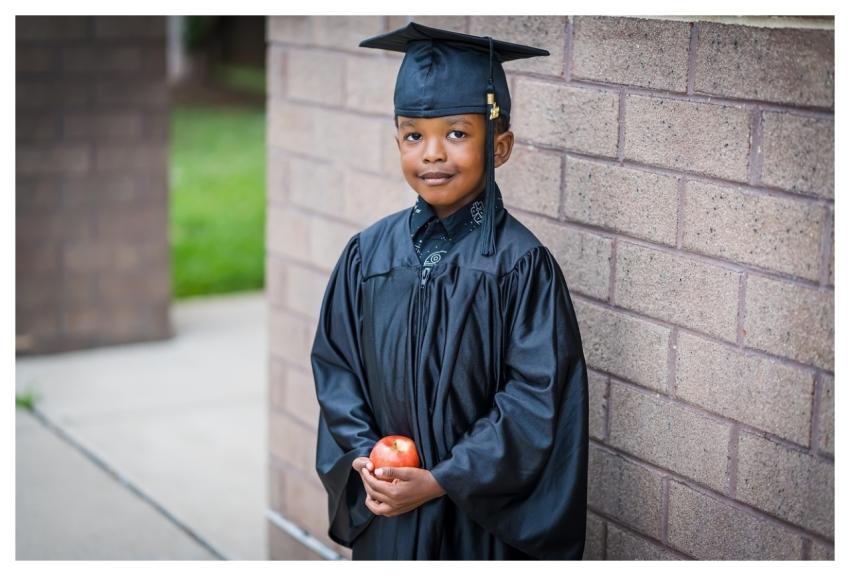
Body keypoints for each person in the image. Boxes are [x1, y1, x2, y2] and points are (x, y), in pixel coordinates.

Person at [310, 21, 589, 560]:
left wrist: (446, 478)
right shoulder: (368, 255)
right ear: (397, 142)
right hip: (389, 508)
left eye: (457, 134)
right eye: (414, 135)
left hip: (475, 522)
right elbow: (337, 365)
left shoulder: (520, 266)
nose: (432, 153)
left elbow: (537, 398)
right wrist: (365, 457)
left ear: (499, 147)